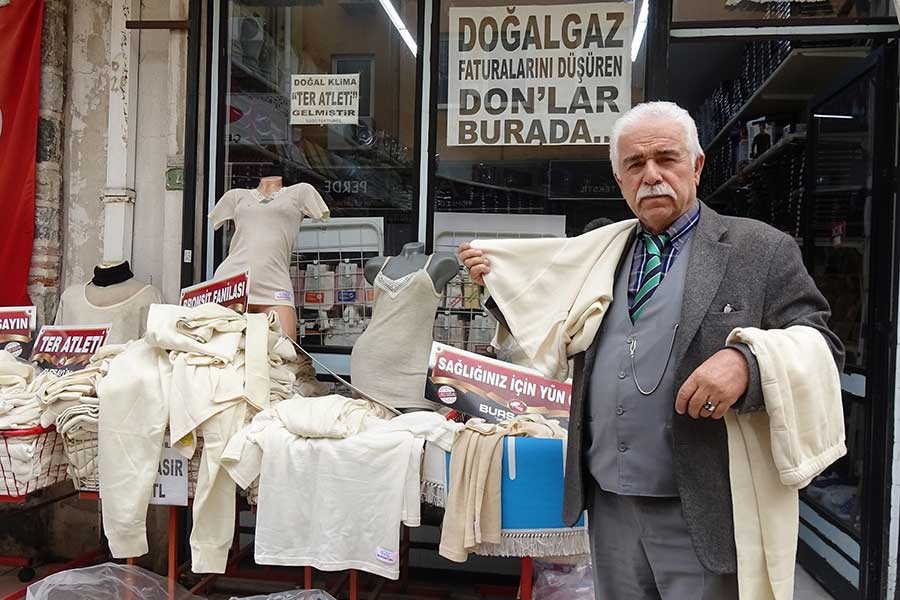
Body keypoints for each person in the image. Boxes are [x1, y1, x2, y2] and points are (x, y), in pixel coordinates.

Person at [458, 101, 843, 599]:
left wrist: (748, 363)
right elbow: (552, 326)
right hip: (610, 506)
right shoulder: (598, 255)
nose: (652, 175)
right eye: (635, 165)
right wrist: (499, 286)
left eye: (667, 158)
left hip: (703, 505)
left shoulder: (760, 250)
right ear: (619, 179)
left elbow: (823, 348)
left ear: (698, 166)